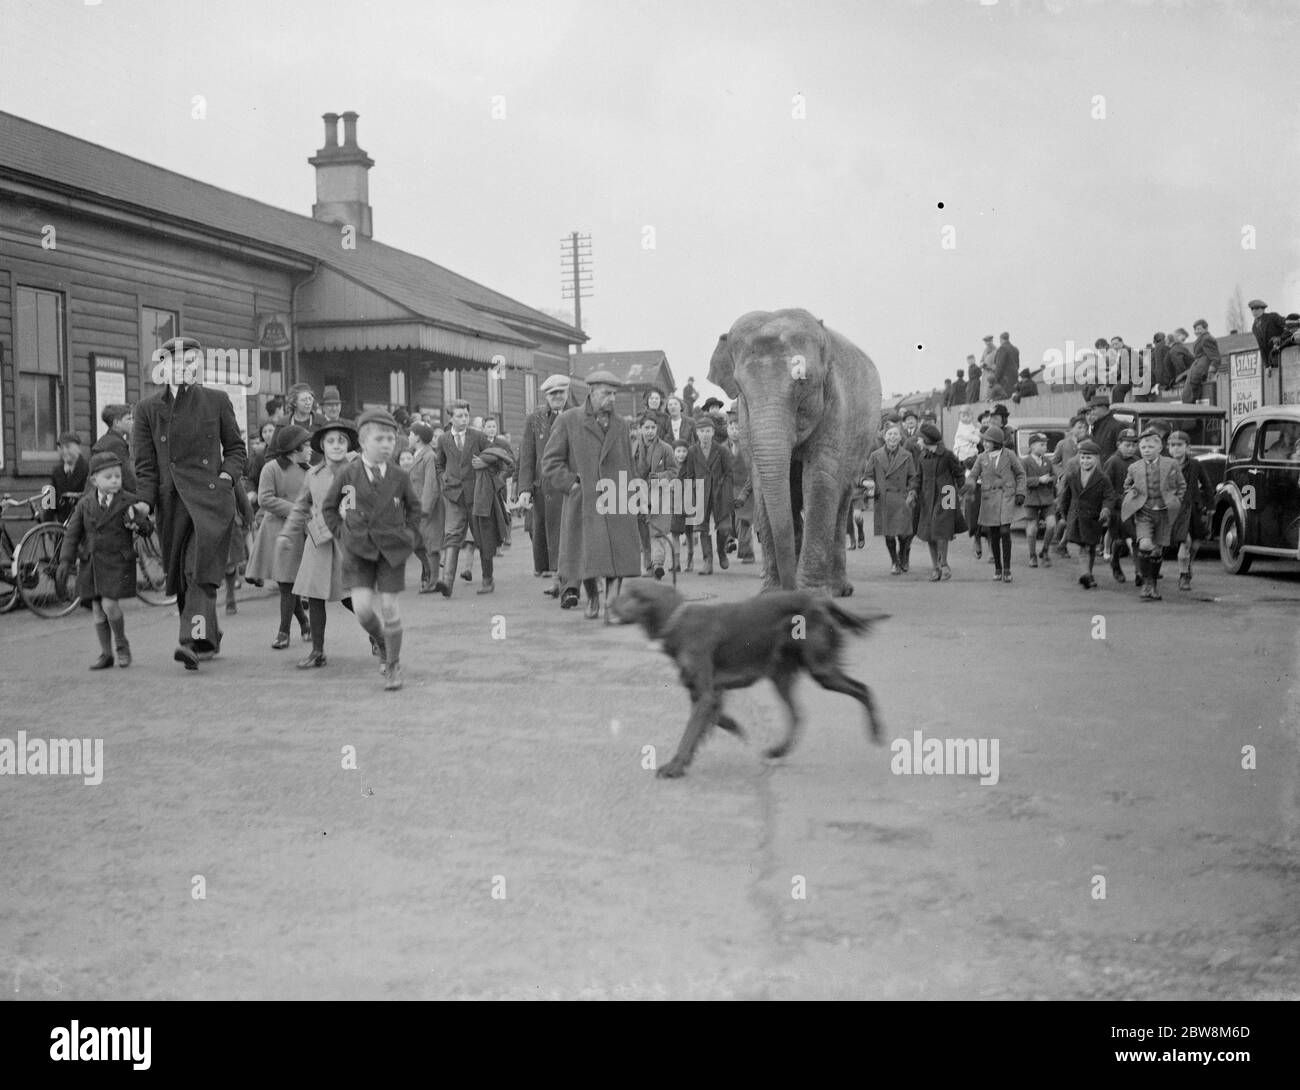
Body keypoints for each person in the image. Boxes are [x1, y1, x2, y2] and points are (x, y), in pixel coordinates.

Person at [133, 337, 246, 670]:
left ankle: (190, 643)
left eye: (192, 362)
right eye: (178, 362)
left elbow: (237, 449)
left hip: (210, 501)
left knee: (196, 570)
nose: (185, 368)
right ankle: (208, 636)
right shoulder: (147, 410)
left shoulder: (216, 400)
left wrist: (226, 477)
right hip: (172, 504)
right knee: (181, 578)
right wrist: (143, 503)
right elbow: (145, 466)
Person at [321, 409, 421, 690]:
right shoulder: (348, 474)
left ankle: (392, 665)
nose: (388, 444)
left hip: (392, 550)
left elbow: (414, 509)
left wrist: (410, 536)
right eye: (380, 438)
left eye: (391, 438)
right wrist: (342, 534)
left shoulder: (400, 476)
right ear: (364, 442)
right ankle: (380, 639)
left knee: (390, 607)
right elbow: (330, 507)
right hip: (358, 551)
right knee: (363, 610)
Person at [540, 370, 642, 619]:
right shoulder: (569, 420)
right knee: (585, 554)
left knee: (618, 552)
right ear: (592, 392)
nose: (612, 399)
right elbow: (550, 461)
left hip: (616, 497)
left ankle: (612, 600)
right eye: (607, 393)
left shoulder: (621, 425)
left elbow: (629, 463)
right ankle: (593, 598)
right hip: (584, 501)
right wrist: (571, 484)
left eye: (614, 394)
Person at [55, 451, 152, 669]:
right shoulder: (85, 503)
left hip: (117, 561)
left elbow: (147, 527)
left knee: (109, 604)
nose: (114, 480)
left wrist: (139, 524)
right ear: (94, 480)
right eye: (108, 477)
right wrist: (65, 560)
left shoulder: (129, 501)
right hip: (92, 562)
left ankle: (121, 644)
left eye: (117, 476)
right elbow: (72, 533)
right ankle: (106, 653)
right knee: (97, 608)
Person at [277, 418, 361, 669]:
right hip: (318, 543)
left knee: (350, 598)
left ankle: (378, 636)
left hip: (346, 543)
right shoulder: (313, 474)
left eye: (341, 441)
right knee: (314, 597)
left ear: (348, 445)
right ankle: (318, 651)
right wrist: (286, 534)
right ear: (322, 446)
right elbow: (301, 506)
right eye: (330, 441)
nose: (336, 445)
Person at [246, 424, 313, 649]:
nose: (310, 449)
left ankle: (302, 624)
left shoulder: (309, 470)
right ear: (295, 448)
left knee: (289, 581)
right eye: (306, 445)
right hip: (277, 531)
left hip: (299, 532)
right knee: (287, 582)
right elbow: (265, 499)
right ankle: (286, 631)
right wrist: (296, 509)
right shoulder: (271, 468)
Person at [431, 400, 491, 596]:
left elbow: (498, 456)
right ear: (450, 418)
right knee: (453, 536)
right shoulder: (443, 440)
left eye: (466, 415)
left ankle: (487, 580)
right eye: (459, 416)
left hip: (476, 496)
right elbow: (439, 464)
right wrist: (444, 480)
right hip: (454, 496)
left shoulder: (479, 437)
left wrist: (484, 462)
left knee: (482, 538)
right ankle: (446, 582)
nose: (464, 419)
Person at [519, 374, 571, 596]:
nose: (557, 397)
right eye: (552, 394)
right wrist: (524, 490)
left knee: (570, 535)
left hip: (570, 487)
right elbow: (527, 457)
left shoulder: (577, 416)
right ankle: (560, 581)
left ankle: (571, 584)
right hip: (544, 491)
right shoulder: (535, 419)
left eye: (560, 392)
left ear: (567, 393)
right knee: (548, 538)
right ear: (546, 396)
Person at [1121, 427, 1186, 602]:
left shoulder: (1171, 464)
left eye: (1150, 447)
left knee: (1157, 551)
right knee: (1145, 545)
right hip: (1144, 512)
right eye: (1143, 448)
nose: (1147, 451)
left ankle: (1153, 585)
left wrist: (1176, 500)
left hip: (1164, 513)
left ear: (1159, 448)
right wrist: (1132, 494)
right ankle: (1145, 583)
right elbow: (1127, 486)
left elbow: (1181, 485)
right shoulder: (1134, 467)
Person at [967, 425, 1026, 584]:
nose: (985, 444)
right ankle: (997, 568)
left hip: (1007, 496)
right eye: (984, 441)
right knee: (994, 533)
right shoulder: (982, 458)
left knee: (1005, 531)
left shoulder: (1009, 455)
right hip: (989, 499)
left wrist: (1021, 492)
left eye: (989, 441)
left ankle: (1007, 569)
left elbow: (1020, 474)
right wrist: (970, 486)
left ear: (998, 442)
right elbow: (972, 475)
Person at [678, 417, 734, 576]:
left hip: (719, 491)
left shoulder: (721, 450)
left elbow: (729, 474)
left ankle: (721, 552)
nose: (705, 434)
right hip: (700, 492)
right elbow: (689, 475)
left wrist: (727, 493)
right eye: (701, 431)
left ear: (713, 432)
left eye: (708, 431)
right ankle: (707, 560)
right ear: (697, 433)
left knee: (724, 528)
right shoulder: (692, 451)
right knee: (702, 528)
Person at [1059, 439, 1114, 589]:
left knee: (1090, 547)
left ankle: (1087, 574)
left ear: (1096, 459)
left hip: (1093, 518)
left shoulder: (1103, 479)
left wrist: (1106, 509)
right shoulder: (1072, 476)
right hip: (1076, 517)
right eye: (1082, 457)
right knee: (1083, 547)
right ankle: (1086, 575)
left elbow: (1109, 497)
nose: (1085, 461)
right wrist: (1064, 513)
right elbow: (1066, 496)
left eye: (1089, 457)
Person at [865, 423, 918, 575]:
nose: (892, 437)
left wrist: (911, 492)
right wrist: (870, 484)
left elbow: (913, 477)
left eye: (895, 434)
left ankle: (903, 554)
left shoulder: (907, 455)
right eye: (889, 434)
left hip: (902, 498)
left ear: (900, 437)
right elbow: (867, 476)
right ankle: (895, 562)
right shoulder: (875, 456)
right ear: (884, 437)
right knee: (888, 534)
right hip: (883, 499)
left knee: (903, 533)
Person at [1165, 430, 1213, 593]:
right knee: (1185, 542)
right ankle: (1184, 576)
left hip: (1194, 508)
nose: (1176, 449)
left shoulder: (1195, 465)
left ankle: (1188, 565)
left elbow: (1206, 485)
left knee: (1197, 542)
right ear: (1168, 448)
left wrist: (1210, 506)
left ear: (1187, 448)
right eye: (1172, 445)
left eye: (1180, 445)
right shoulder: (1164, 465)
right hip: (1176, 510)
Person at [914, 422, 963, 581]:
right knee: (929, 533)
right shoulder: (922, 456)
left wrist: (963, 492)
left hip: (946, 494)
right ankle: (935, 567)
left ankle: (944, 564)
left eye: (920, 439)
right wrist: (913, 491)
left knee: (942, 529)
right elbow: (918, 477)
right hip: (927, 497)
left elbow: (959, 473)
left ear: (927, 440)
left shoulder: (947, 455)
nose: (918, 442)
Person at [631, 413, 678, 579]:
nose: (650, 431)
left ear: (657, 429)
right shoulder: (633, 448)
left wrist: (659, 477)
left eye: (653, 428)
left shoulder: (665, 448)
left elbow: (674, 471)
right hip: (638, 496)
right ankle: (649, 567)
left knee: (657, 532)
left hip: (660, 496)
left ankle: (658, 563)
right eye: (646, 428)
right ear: (640, 429)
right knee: (643, 533)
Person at [1101, 428, 1140, 585]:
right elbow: (1106, 486)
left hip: (1136, 506)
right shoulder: (1112, 462)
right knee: (1119, 540)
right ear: (1118, 444)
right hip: (1118, 507)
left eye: (1133, 445)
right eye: (1127, 445)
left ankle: (1139, 572)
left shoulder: (1137, 461)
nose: (1130, 448)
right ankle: (1115, 564)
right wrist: (1113, 503)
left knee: (1136, 539)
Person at [406, 422, 442, 593]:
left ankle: (433, 580)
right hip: (416, 507)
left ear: (418, 438)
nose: (409, 437)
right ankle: (430, 574)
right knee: (417, 543)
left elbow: (431, 485)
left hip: (426, 509)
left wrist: (425, 509)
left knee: (430, 543)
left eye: (411, 434)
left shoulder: (429, 456)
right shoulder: (419, 454)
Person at [1020, 432, 1056, 568]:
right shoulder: (1025, 462)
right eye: (1042, 444)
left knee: (1052, 525)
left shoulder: (1047, 461)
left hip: (1047, 498)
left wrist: (1051, 479)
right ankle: (1032, 555)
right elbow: (1021, 480)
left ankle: (1045, 551)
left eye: (1045, 444)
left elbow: (1054, 476)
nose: (1045, 447)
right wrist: (1038, 480)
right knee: (1032, 529)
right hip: (1031, 499)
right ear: (1032, 446)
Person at [726, 414, 757, 562]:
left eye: (737, 428)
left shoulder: (748, 448)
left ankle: (747, 553)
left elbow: (753, 470)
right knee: (730, 520)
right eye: (731, 428)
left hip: (746, 489)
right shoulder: (722, 448)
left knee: (744, 520)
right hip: (728, 489)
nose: (734, 431)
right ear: (727, 430)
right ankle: (730, 540)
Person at [92, 405, 136, 492]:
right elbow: (125, 474)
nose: (132, 422)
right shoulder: (116, 444)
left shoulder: (105, 440)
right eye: (128, 419)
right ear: (116, 423)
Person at [48, 431, 89, 523]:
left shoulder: (88, 469)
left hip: (83, 524)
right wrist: (46, 528)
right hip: (62, 525)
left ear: (79, 449)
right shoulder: (56, 471)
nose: (64, 451)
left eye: (68, 447)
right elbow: (49, 501)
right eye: (61, 448)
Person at [1181, 320, 1221, 403]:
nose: (1197, 331)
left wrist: (1211, 371)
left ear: (1206, 328)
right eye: (1195, 329)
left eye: (1199, 329)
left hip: (1201, 369)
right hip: (1197, 368)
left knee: (1190, 393)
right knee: (1189, 393)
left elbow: (1215, 357)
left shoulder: (1207, 339)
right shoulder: (1202, 339)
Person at [1086, 394, 1123, 462]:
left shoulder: (1117, 426)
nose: (1092, 412)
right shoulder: (1096, 426)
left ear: (1103, 407)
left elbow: (1121, 451)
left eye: (1094, 409)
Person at [1249, 300, 1286, 368]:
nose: (1254, 311)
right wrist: (1267, 365)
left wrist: (1280, 338)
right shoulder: (1254, 328)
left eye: (1257, 309)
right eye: (1252, 309)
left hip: (1284, 354)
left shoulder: (1273, 317)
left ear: (1263, 309)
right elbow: (1261, 347)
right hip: (1273, 361)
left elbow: (1289, 326)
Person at [993, 332, 1020, 396]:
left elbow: (999, 366)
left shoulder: (1002, 349)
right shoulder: (1015, 349)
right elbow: (1018, 365)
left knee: (1005, 399)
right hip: (1015, 379)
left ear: (1001, 339)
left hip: (1005, 380)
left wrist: (996, 379)